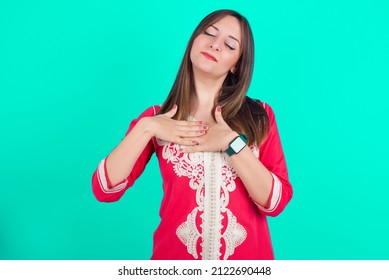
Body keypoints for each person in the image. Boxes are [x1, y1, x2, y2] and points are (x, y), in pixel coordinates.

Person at [92, 9, 293, 260]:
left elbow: (276, 202)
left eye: (230, 45)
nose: (215, 45)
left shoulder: (260, 115)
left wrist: (232, 143)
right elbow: (104, 188)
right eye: (209, 33)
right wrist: (146, 128)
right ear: (193, 41)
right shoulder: (157, 118)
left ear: (236, 66)